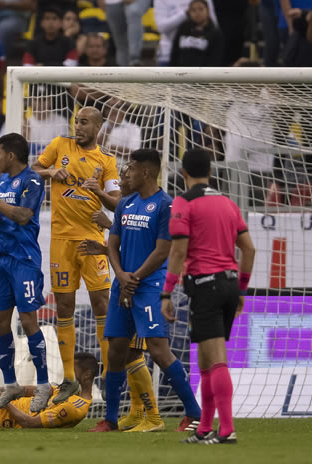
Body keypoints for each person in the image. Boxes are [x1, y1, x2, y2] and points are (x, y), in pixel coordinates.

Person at [87, 148, 202, 433]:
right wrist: (121, 275)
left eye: (132, 169)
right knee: (115, 351)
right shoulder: (125, 204)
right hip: (123, 284)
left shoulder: (166, 206)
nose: (126, 174)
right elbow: (113, 244)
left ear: (146, 172)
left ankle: (194, 413)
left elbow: (163, 250)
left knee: (159, 350)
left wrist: (134, 278)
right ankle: (111, 419)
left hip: (149, 286)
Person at [162, 148, 256, 444]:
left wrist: (166, 293)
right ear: (211, 172)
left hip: (206, 285)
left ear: (183, 173)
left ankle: (226, 429)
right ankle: (204, 428)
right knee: (205, 359)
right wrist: (242, 289)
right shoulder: (228, 203)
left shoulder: (184, 202)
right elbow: (249, 249)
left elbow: (178, 251)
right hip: (229, 284)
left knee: (216, 358)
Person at [31, 106, 120, 403]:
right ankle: (69, 378)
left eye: (84, 122)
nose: (78, 127)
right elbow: (32, 172)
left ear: (98, 127)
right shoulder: (59, 145)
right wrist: (50, 171)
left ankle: (109, 376)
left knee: (102, 303)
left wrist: (99, 192)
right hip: (61, 241)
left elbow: (117, 203)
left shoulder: (107, 160)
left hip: (92, 240)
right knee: (64, 306)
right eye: (76, 121)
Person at [0, 131, 51, 410]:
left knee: (28, 321)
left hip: (23, 259)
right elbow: (5, 213)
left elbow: (23, 215)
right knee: (0, 321)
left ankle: (44, 385)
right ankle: (11, 385)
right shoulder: (3, 181)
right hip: (1, 259)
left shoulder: (32, 180)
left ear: (11, 155)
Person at [152, 0, 218, 65]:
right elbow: (161, 27)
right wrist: (185, 14)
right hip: (168, 52)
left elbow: (213, 24)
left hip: (200, 52)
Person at [169, 0, 224, 67]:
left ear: (208, 11)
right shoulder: (183, 29)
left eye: (201, 9)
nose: (197, 13)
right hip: (180, 71)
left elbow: (215, 58)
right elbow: (174, 53)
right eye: (193, 10)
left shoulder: (215, 34)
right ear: (189, 13)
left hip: (203, 72)